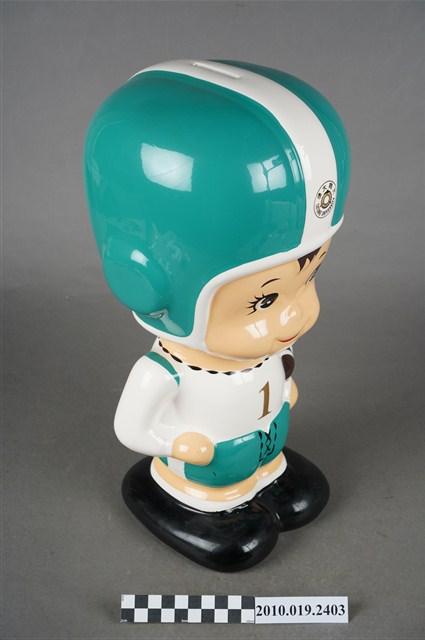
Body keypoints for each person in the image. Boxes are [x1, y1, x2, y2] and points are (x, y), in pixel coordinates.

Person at [84, 59, 350, 570]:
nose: (296, 315)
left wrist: (282, 392)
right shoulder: (163, 372)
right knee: (231, 518)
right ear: (148, 285)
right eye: (264, 301)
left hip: (266, 444)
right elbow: (131, 428)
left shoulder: (264, 348)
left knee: (287, 485)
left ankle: (266, 478)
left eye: (309, 278)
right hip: (203, 472)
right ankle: (206, 503)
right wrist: (175, 442)